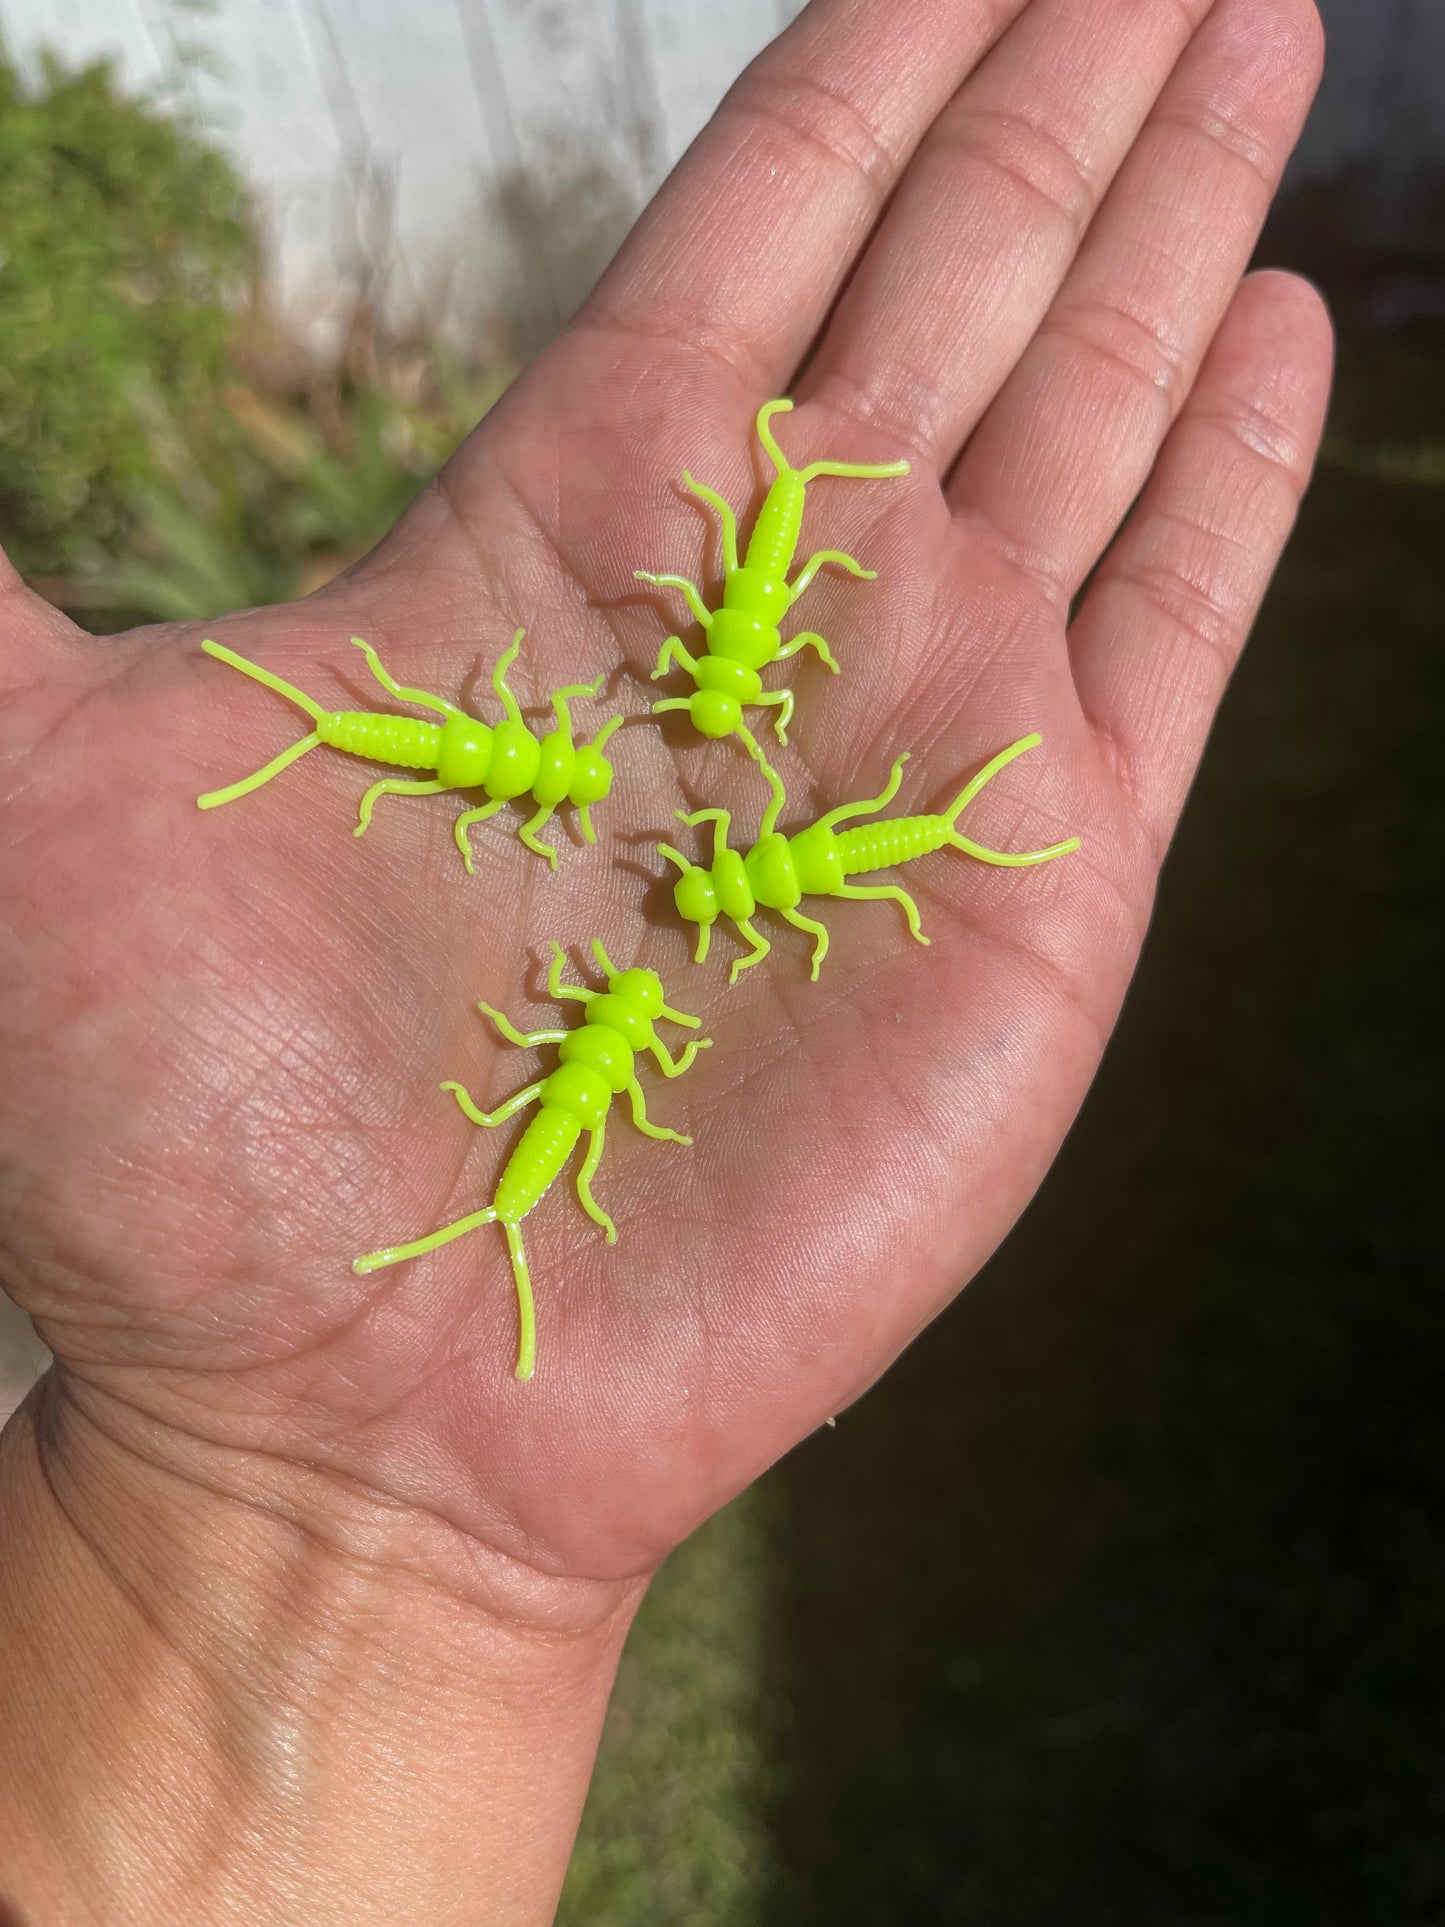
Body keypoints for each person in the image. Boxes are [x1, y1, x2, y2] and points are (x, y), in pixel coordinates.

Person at [0, 0, 1331, 1916]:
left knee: (578, 1094)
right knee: (608, 1078)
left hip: (626, 814)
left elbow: (645, 940)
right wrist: (333, 1503)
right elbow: (648, 954)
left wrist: (329, 1518)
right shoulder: (677, 884)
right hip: (618, 815)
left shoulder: (682, 842)